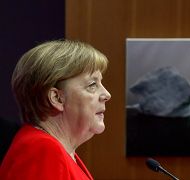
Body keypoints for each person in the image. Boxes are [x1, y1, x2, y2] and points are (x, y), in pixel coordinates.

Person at [0, 40, 111, 179]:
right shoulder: (42, 150)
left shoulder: (57, 149)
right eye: (92, 84)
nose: (107, 95)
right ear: (57, 98)